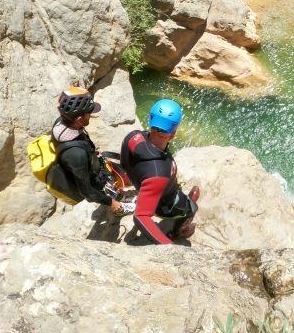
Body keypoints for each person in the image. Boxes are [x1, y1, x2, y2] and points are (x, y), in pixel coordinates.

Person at [120, 99, 199, 245]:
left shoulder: (132, 137)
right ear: (173, 134)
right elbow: (141, 216)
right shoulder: (159, 173)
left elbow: (124, 162)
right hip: (163, 205)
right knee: (192, 207)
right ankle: (177, 232)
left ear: (150, 120)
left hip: (145, 188)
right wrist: (168, 247)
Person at [50, 86, 133, 216]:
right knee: (106, 189)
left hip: (89, 162)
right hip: (90, 178)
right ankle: (119, 207)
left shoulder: (62, 123)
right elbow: (87, 191)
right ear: (79, 119)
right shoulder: (75, 155)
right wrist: (111, 203)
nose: (91, 114)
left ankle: (118, 196)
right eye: (89, 112)